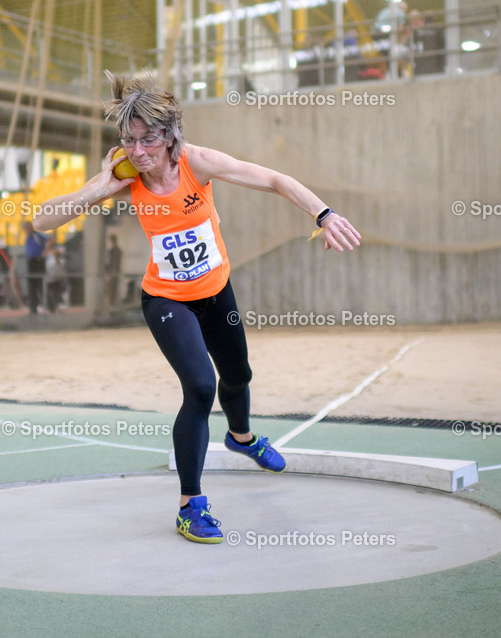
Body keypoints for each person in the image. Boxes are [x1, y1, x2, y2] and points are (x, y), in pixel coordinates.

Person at [33, 72, 361, 544]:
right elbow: (42, 221)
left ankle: (242, 438)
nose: (139, 152)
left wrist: (324, 215)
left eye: (148, 140)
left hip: (216, 293)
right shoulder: (124, 178)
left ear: (169, 135)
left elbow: (274, 179)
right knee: (201, 387)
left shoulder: (197, 163)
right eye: (129, 141)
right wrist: (98, 189)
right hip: (166, 300)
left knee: (238, 376)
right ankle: (191, 505)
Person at [23, 220, 48, 315]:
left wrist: (46, 251)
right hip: (30, 262)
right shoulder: (27, 238)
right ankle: (33, 309)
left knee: (41, 285)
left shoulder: (37, 236)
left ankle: (49, 306)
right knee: (32, 286)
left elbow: (50, 239)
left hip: (38, 262)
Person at [103, 233, 122, 310]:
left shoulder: (111, 251)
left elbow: (109, 263)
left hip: (112, 273)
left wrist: (107, 272)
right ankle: (113, 305)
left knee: (110, 290)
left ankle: (111, 306)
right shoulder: (119, 251)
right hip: (116, 272)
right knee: (114, 290)